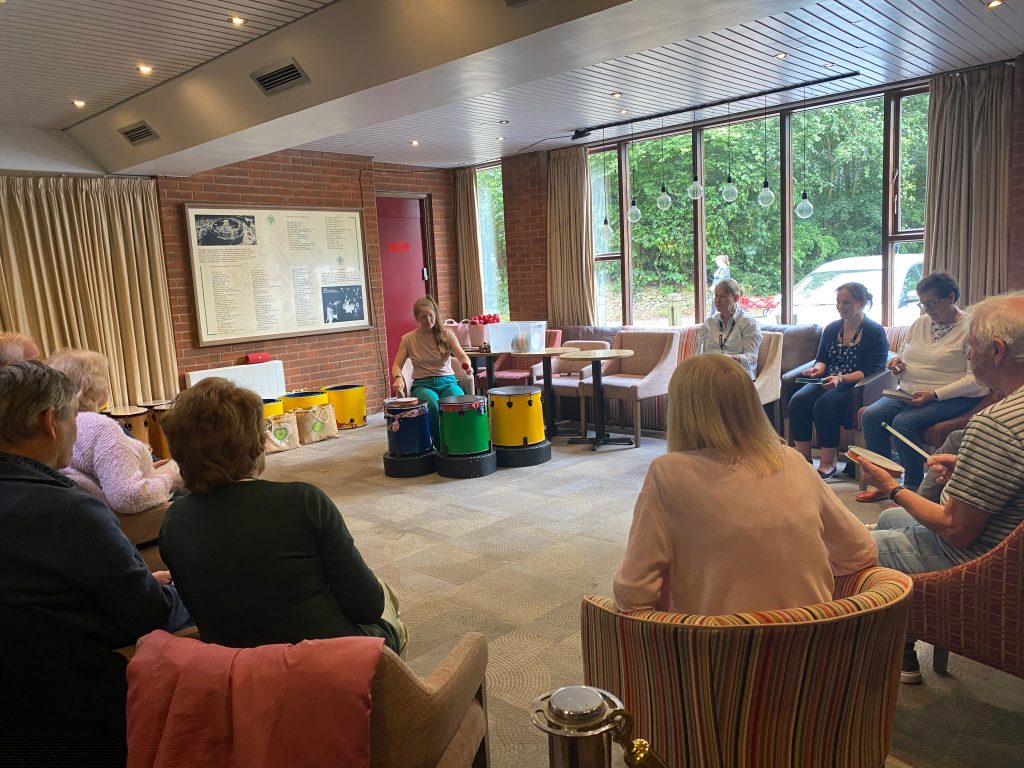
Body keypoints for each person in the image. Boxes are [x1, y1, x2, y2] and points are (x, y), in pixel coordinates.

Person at [158, 377, 408, 655]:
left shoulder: (174, 521)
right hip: (329, 665)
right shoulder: (304, 502)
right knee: (384, 596)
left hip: (238, 668)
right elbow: (367, 606)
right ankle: (394, 697)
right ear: (255, 444)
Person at [613, 355, 876, 616]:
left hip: (719, 650)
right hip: (811, 648)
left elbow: (632, 594)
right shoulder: (793, 461)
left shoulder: (667, 474)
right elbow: (860, 551)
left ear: (681, 411)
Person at [852, 291, 1024, 684]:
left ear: (996, 351)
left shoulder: (996, 424)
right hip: (1008, 547)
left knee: (847, 547)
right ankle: (907, 639)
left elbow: (957, 530)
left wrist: (892, 486)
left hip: (985, 566)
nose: (968, 354)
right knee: (894, 519)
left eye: (972, 347)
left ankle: (862, 660)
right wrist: (968, 465)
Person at [0, 361, 189, 645]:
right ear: (49, 422)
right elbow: (151, 613)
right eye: (74, 417)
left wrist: (141, 583)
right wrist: (191, 592)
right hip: (71, 669)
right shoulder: (72, 512)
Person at [857, 272, 987, 501]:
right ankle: (884, 480)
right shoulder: (919, 324)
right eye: (923, 304)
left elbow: (976, 380)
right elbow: (905, 355)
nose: (928, 310)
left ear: (951, 297)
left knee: (902, 423)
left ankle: (913, 490)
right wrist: (897, 364)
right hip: (908, 392)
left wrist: (934, 394)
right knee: (870, 415)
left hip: (953, 396)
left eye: (933, 303)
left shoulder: (972, 328)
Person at [47, 348, 183, 514]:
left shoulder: (60, 425)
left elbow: (103, 474)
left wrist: (140, 468)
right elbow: (126, 498)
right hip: (139, 524)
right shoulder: (102, 428)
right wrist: (170, 480)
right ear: (91, 388)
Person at [788, 282, 888, 479]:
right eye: (838, 302)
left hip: (854, 384)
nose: (841, 307)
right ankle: (804, 458)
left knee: (826, 404)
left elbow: (871, 369)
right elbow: (822, 358)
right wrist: (817, 370)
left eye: (847, 302)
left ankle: (828, 462)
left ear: (862, 303)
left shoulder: (874, 331)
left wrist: (840, 379)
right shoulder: (832, 328)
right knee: (798, 401)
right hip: (828, 379)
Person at [391, 295, 473, 444]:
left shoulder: (447, 335)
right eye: (423, 316)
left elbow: (462, 356)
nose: (428, 320)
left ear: (436, 315)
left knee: (459, 403)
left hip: (447, 381)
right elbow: (397, 365)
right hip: (423, 384)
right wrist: (398, 378)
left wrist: (466, 365)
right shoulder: (408, 339)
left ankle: (460, 442)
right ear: (416, 318)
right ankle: (441, 444)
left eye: (431, 315)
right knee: (433, 406)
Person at [696, 278, 762, 378]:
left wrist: (729, 359)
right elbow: (699, 353)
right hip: (710, 372)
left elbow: (751, 357)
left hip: (737, 372)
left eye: (722, 296)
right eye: (716, 296)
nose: (717, 300)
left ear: (736, 298)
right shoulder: (709, 323)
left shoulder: (748, 323)